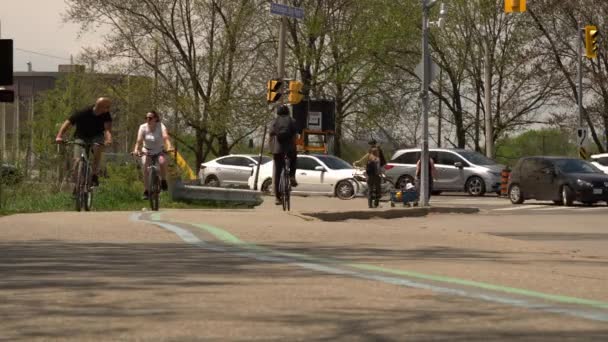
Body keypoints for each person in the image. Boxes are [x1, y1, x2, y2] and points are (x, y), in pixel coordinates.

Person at [55, 97, 113, 187]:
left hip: (96, 136)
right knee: (77, 159)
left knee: (98, 148)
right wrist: (59, 136)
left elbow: (107, 129)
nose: (109, 109)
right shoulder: (83, 112)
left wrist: (109, 139)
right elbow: (67, 123)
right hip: (81, 136)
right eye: (107, 107)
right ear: (100, 106)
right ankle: (77, 182)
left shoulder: (106, 114)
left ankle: (94, 174)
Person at [132, 111, 174, 200]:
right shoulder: (142, 127)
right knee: (145, 167)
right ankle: (146, 190)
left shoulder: (161, 126)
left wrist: (169, 145)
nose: (148, 120)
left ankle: (163, 181)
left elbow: (166, 137)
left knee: (162, 161)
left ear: (155, 118)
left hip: (159, 150)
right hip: (147, 151)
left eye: (150, 118)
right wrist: (136, 149)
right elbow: (139, 141)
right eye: (146, 118)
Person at [269, 104, 298, 205]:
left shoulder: (274, 122)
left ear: (278, 112)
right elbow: (295, 133)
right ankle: (292, 176)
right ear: (288, 112)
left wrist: (272, 148)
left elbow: (271, 134)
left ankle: (277, 198)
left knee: (277, 172)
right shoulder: (292, 120)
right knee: (294, 158)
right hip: (289, 148)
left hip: (277, 149)